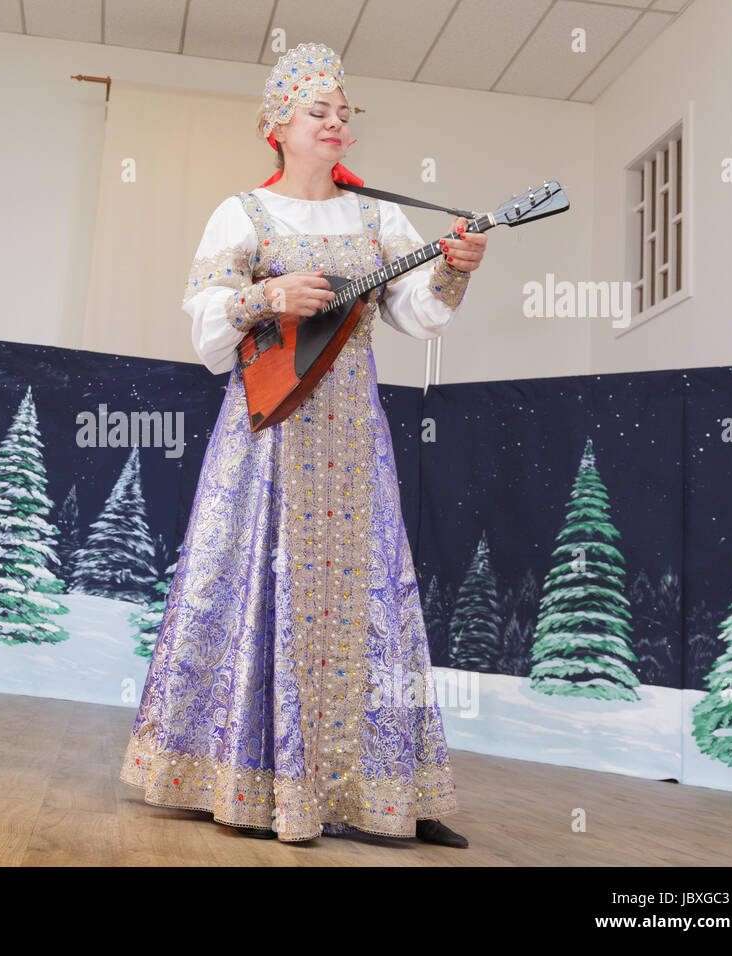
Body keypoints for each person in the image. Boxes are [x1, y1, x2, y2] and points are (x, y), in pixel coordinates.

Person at [120, 44, 487, 846]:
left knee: (372, 601)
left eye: (344, 110)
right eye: (318, 110)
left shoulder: (378, 218)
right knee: (250, 581)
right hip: (268, 430)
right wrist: (268, 293)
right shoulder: (241, 213)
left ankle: (386, 790)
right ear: (276, 126)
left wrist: (456, 268)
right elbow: (208, 334)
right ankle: (237, 773)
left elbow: (419, 315)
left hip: (352, 433)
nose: (336, 122)